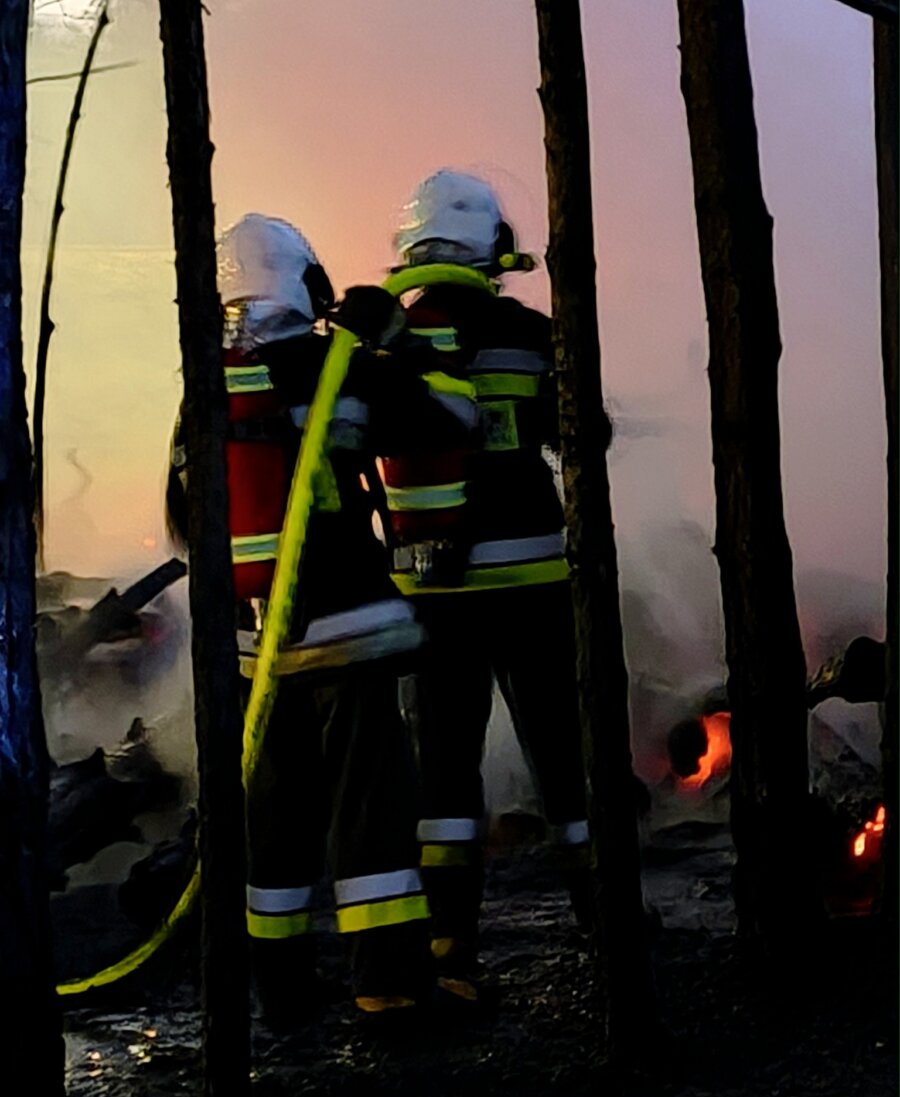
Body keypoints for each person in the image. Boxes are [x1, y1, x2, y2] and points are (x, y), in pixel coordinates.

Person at [167, 213, 442, 1027]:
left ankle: (281, 989)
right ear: (304, 284)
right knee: (370, 806)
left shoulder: (203, 387)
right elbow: (442, 422)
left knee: (274, 816)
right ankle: (389, 982)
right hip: (349, 630)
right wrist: (395, 341)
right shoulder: (333, 364)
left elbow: (182, 522)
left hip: (258, 648)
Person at [378, 171, 593, 1003]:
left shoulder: (384, 344)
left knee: (443, 775)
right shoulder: (530, 334)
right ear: (492, 247)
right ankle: (600, 912)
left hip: (432, 599)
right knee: (564, 759)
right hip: (533, 584)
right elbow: (585, 434)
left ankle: (450, 943)